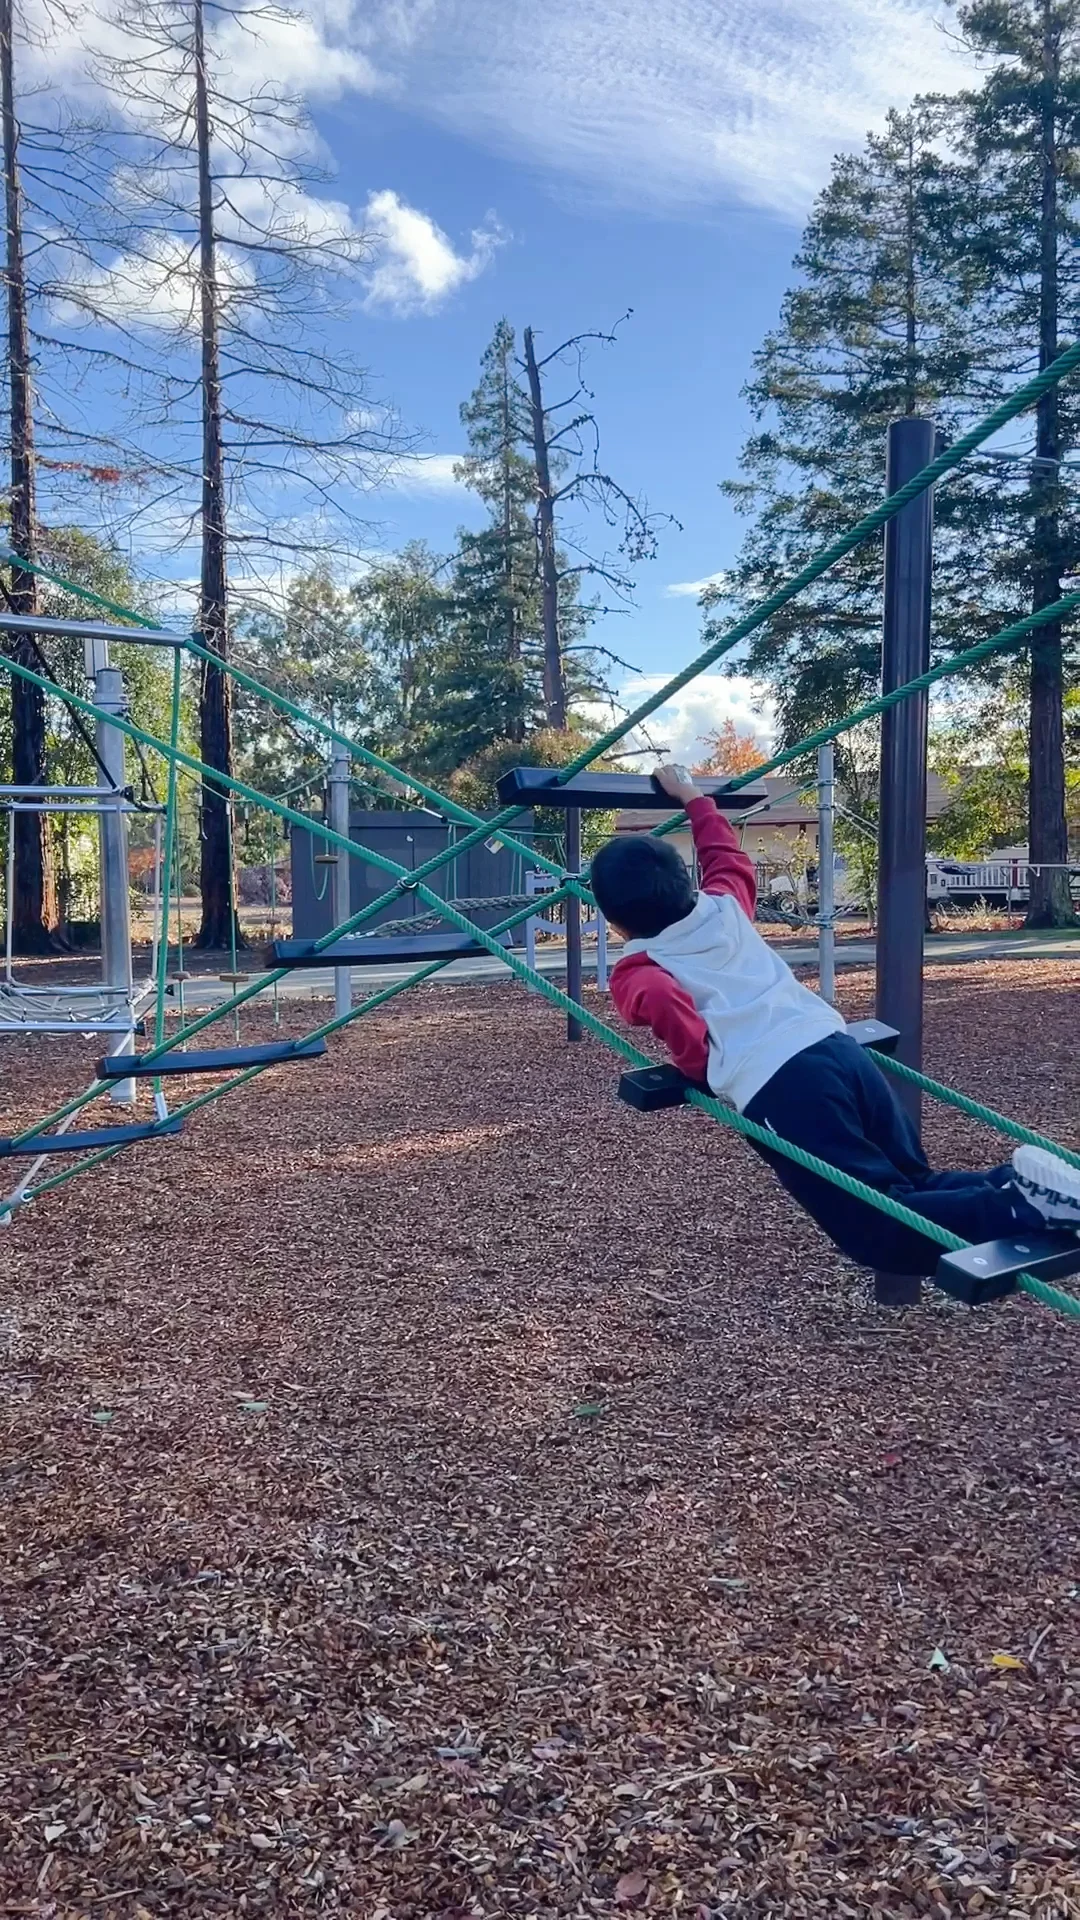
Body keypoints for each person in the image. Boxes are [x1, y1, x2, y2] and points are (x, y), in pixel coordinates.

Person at [590, 763, 1080, 1275]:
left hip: (783, 1084)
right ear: (686, 882)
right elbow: (723, 851)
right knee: (909, 1183)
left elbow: (666, 1007)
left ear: (613, 920)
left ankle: (1023, 1206)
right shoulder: (724, 904)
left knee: (877, 1229)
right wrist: (689, 793)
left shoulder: (640, 967)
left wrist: (698, 1070)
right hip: (836, 1048)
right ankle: (1015, 1184)